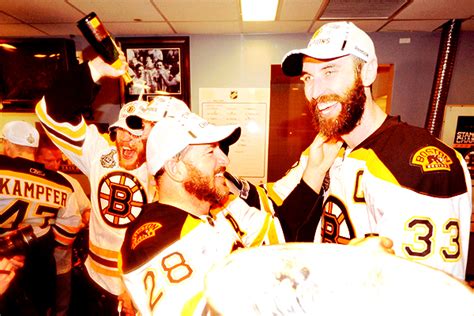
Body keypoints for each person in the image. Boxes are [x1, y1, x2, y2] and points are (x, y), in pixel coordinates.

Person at [275, 21, 472, 280]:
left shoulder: (420, 164)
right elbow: (284, 228)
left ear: (367, 73)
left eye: (330, 72)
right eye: (308, 78)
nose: (314, 92)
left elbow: (430, 296)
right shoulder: (329, 148)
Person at [35, 55, 190, 315]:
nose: (126, 141)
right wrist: (94, 70)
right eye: (121, 131)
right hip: (94, 283)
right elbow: (50, 114)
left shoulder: (175, 168)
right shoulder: (99, 154)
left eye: (136, 133)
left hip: (146, 290)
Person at [120, 111, 286, 315]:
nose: (225, 160)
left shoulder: (209, 209)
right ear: (176, 169)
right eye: (210, 152)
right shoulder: (158, 241)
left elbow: (278, 234)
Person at [0, 121, 81, 315]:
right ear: (34, 149)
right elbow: (67, 233)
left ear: (6, 143)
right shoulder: (62, 183)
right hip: (39, 267)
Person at [35, 138, 91, 316]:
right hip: (33, 263)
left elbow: (86, 209)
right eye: (49, 160)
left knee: (61, 307)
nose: (55, 165)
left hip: (62, 262)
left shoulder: (69, 182)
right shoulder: (28, 182)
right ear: (35, 158)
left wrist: (80, 223)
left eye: (58, 160)